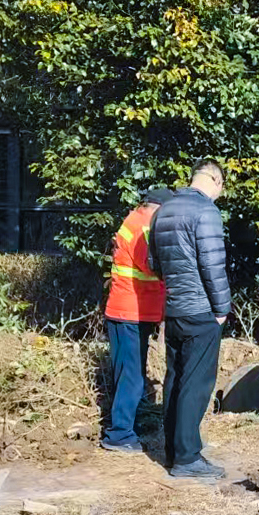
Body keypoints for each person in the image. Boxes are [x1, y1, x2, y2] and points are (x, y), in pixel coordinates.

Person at [150, 159, 231, 480]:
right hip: (201, 311)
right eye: (221, 188)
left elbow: (153, 262)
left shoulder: (163, 210)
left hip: (174, 309)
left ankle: (175, 450)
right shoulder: (206, 212)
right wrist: (222, 308)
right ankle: (187, 459)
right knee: (196, 384)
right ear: (214, 179)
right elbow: (214, 266)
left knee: (175, 379)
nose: (219, 196)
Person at [101, 187, 173, 454]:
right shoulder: (144, 227)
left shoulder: (135, 220)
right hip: (129, 312)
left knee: (129, 374)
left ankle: (124, 427)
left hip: (129, 311)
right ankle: (119, 435)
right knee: (131, 376)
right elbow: (153, 267)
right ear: (159, 208)